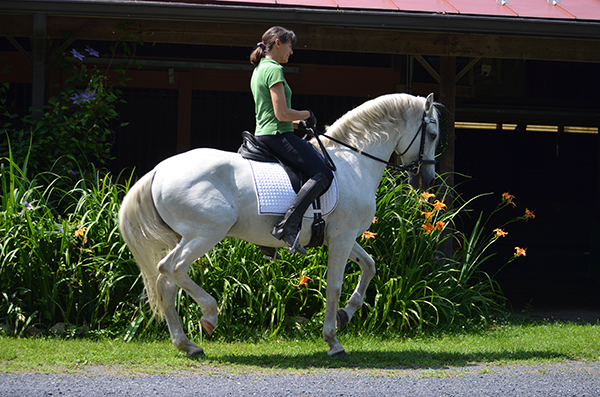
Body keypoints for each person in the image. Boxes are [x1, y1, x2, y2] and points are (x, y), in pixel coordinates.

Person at [250, 26, 334, 255]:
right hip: (277, 134)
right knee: (324, 173)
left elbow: (271, 112)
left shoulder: (260, 69)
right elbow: (281, 114)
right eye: (289, 46)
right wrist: (306, 114)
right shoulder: (274, 70)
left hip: (267, 132)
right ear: (278, 43)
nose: (292, 52)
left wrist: (298, 124)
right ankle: (288, 225)